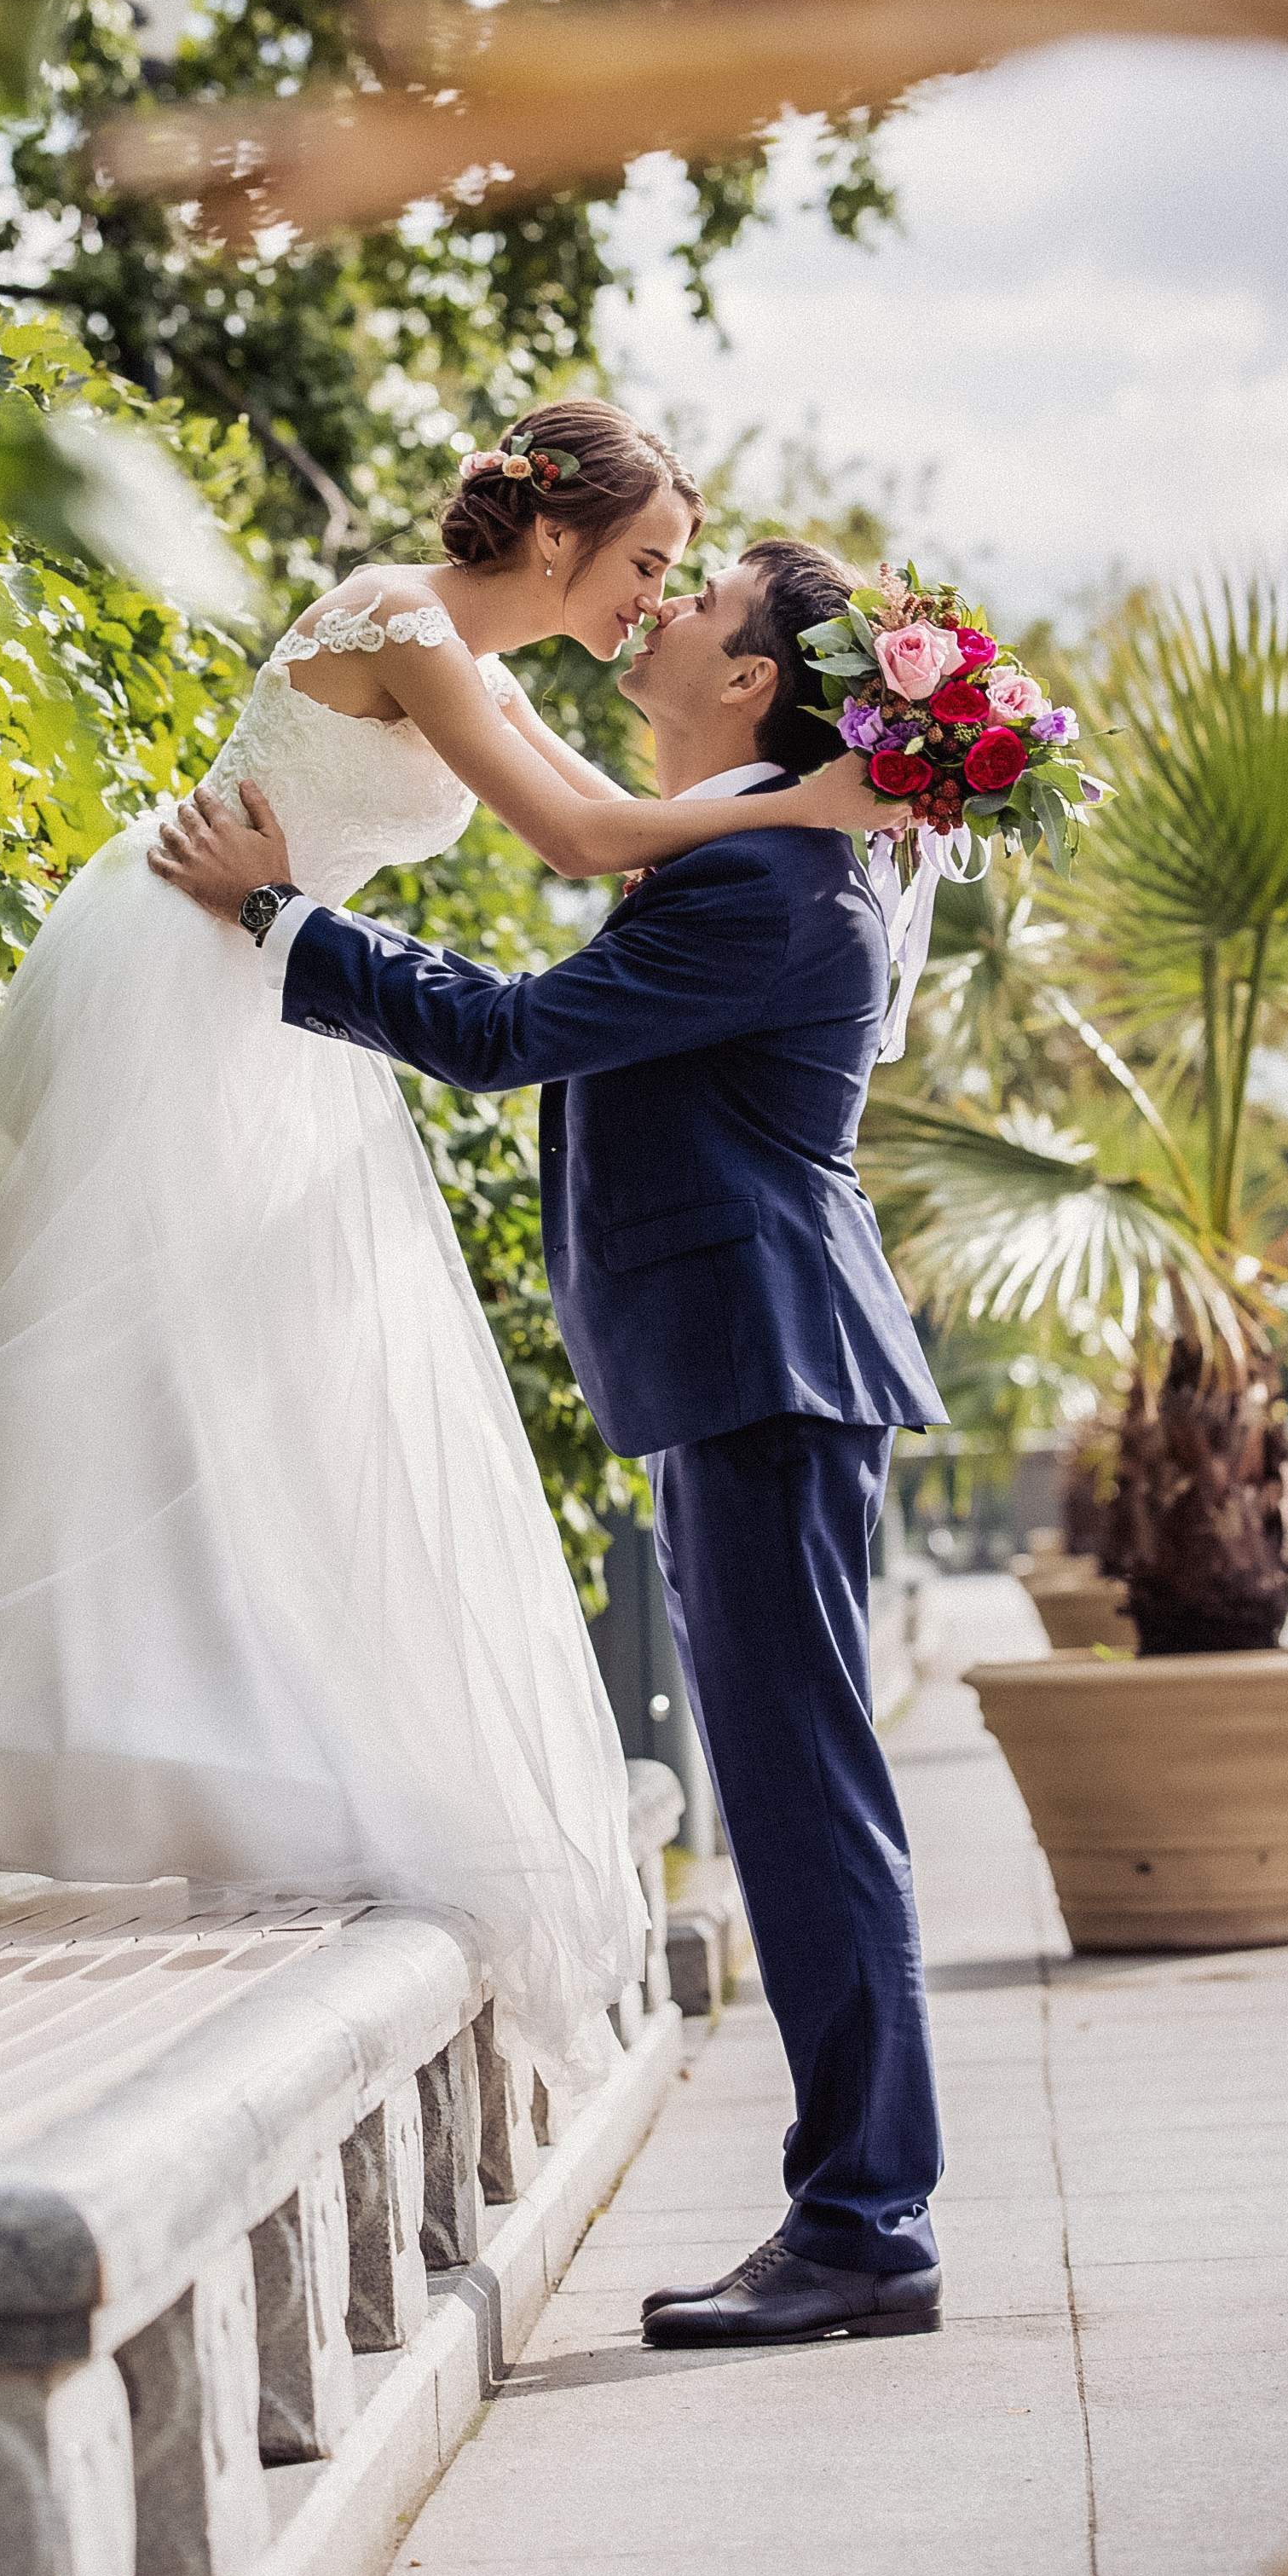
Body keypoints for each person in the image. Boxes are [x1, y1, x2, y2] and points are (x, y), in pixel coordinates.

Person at [0, 401, 895, 2096]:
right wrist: (809, 810)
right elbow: (582, 845)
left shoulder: (475, 677)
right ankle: (111, 1741)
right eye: (644, 561)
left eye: (678, 582)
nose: (652, 600)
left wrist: (800, 810)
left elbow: (604, 831)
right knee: (140, 1355)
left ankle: (240, 1751)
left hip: (285, 979)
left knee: (289, 1375)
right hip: (199, 956)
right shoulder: (402, 619)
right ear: (556, 537)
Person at [153, 534, 952, 2343]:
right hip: (751, 1367)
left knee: (806, 1803)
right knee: (796, 1791)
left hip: (768, 1364)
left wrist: (285, 922)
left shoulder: (771, 883)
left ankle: (864, 2227)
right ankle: (860, 2215)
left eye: (698, 603)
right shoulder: (755, 855)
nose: (659, 613)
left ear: (752, 685)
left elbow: (510, 1036)